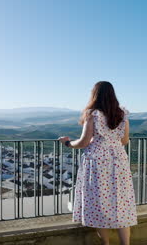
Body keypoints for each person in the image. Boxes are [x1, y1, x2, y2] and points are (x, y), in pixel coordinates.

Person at [58, 81, 138, 245]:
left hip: (97, 161)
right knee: (121, 202)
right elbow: (124, 140)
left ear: (95, 95)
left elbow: (83, 142)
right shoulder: (122, 114)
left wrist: (67, 143)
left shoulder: (93, 114)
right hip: (119, 160)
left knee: (99, 202)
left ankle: (106, 244)